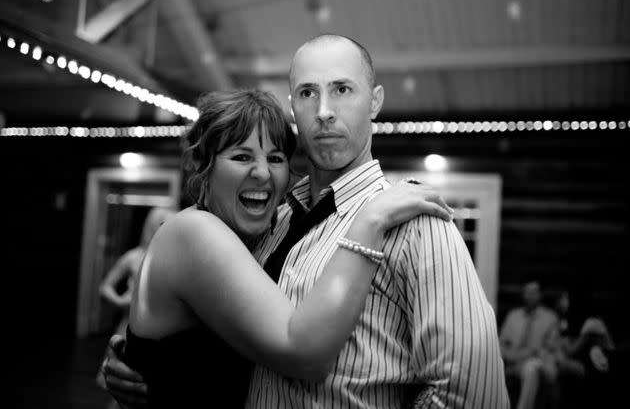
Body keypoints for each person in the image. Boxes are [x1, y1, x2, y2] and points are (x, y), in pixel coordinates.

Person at [103, 34, 509, 408]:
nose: (325, 111)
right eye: (308, 93)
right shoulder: (266, 223)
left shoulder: (415, 222)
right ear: (293, 104)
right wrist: (142, 360)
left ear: (375, 101)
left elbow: (472, 394)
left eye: (342, 89)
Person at [96, 207, 175, 392]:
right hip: (129, 326)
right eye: (163, 224)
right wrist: (119, 301)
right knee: (122, 385)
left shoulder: (175, 258)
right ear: (152, 227)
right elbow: (105, 287)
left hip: (162, 333)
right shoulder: (133, 257)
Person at [500, 280, 560, 409]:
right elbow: (501, 345)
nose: (530, 295)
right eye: (527, 292)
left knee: (531, 368)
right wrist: (511, 355)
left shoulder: (550, 318)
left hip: (538, 364)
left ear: (540, 295)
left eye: (534, 292)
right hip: (514, 362)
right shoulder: (513, 316)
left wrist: (533, 353)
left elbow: (550, 348)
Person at [554, 289, 615, 407]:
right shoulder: (576, 321)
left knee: (562, 365)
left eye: (565, 298)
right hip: (590, 363)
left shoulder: (592, 323)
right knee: (560, 365)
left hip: (603, 366)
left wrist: (562, 340)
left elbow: (572, 350)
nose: (561, 301)